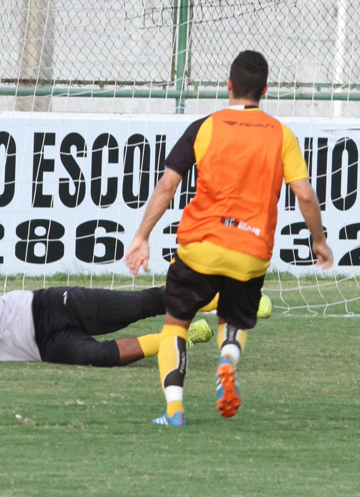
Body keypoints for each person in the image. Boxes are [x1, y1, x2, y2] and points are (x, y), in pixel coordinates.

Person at [124, 50, 333, 426]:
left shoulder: (205, 127)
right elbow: (304, 194)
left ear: (229, 85)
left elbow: (167, 185)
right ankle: (227, 360)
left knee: (175, 323)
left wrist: (142, 236)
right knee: (232, 318)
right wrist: (318, 241)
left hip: (200, 246)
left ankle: (174, 411)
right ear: (266, 89)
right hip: (250, 253)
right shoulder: (281, 135)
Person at [0, 260, 216, 367]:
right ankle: (176, 337)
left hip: (46, 306)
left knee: (138, 305)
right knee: (104, 356)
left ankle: (216, 297)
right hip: (42, 349)